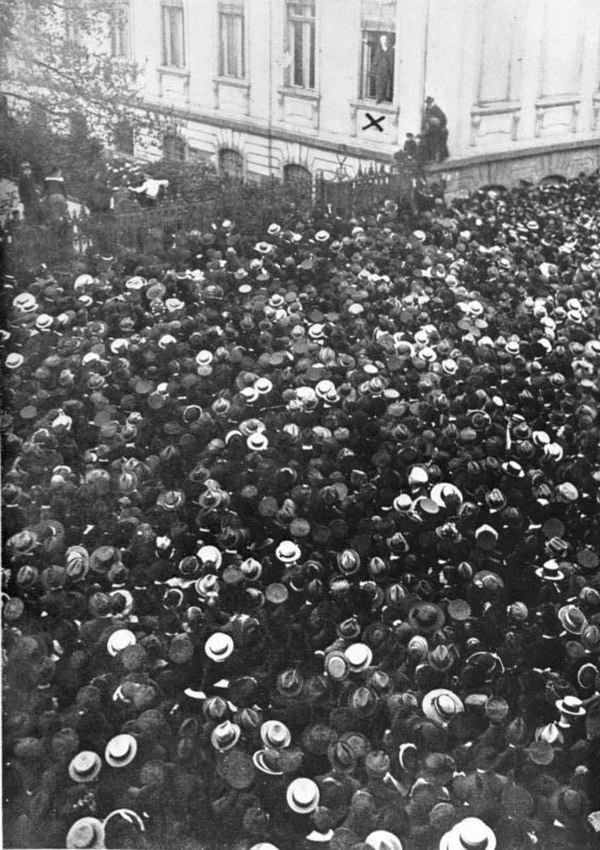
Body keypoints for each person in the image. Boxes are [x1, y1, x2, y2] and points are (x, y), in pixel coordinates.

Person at [422, 95, 449, 163]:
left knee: (440, 144)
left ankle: (441, 157)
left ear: (432, 102)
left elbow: (443, 119)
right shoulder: (427, 108)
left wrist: (442, 126)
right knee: (431, 143)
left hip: (439, 129)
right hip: (431, 129)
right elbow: (426, 118)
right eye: (427, 103)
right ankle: (431, 158)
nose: (428, 104)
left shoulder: (436, 109)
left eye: (429, 103)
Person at [373, 34, 394, 104]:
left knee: (385, 83)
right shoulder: (378, 48)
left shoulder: (389, 49)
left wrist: (390, 69)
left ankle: (384, 97)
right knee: (379, 83)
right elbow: (372, 44)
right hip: (379, 69)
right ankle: (379, 97)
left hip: (386, 69)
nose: (384, 41)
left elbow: (390, 59)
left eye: (385, 40)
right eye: (382, 40)